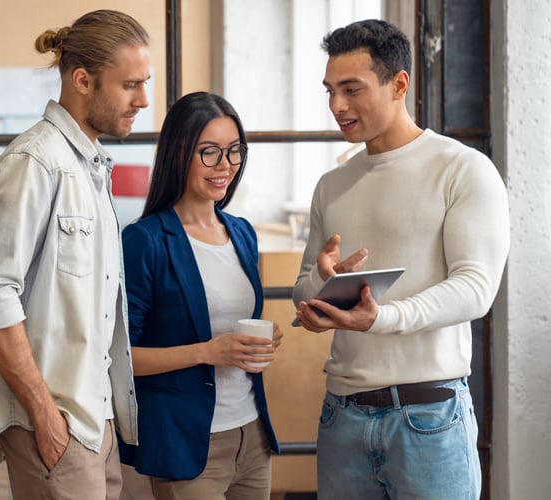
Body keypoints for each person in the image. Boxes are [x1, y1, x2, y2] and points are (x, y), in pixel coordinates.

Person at [292, 19, 510, 499]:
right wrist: (323, 286)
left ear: (399, 84)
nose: (337, 105)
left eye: (352, 89)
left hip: (430, 414)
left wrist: (381, 319)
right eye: (330, 91)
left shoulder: (462, 168)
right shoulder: (332, 184)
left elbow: (476, 288)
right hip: (342, 415)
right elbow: (303, 288)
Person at [0, 9, 150, 499]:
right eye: (130, 85)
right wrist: (45, 416)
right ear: (82, 80)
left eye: (144, 84)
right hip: (54, 422)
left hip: (95, 420)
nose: (143, 100)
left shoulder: (89, 165)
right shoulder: (35, 162)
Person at [119, 91, 282, 500]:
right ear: (178, 153)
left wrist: (261, 340)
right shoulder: (145, 240)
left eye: (234, 151)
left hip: (252, 435)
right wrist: (207, 352)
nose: (225, 165)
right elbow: (118, 358)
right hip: (188, 444)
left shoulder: (241, 232)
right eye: (209, 152)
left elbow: (232, 323)